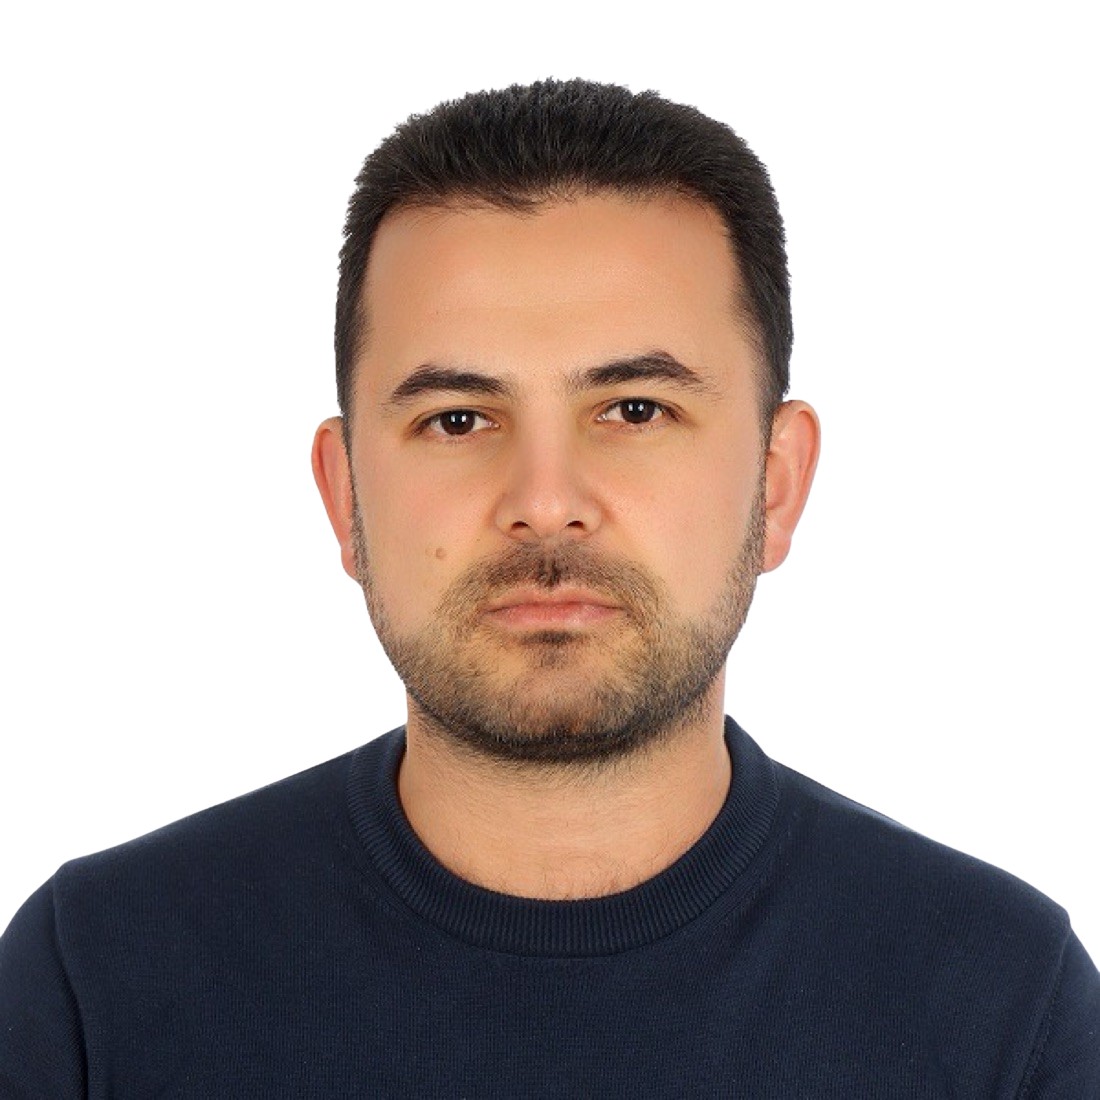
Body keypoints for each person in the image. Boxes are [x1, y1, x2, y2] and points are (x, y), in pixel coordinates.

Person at [1, 78, 1096, 1098]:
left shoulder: (1003, 1009)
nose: (544, 502)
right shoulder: (92, 985)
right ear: (345, 496)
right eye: (457, 419)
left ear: (774, 482)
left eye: (634, 410)